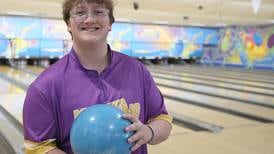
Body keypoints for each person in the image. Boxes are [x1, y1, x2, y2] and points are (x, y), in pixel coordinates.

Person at [23, 0, 172, 153]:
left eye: (99, 12)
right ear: (68, 24)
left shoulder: (136, 70)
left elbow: (162, 120)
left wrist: (149, 132)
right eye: (80, 13)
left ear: (110, 23)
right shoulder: (44, 86)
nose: (90, 19)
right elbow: (38, 148)